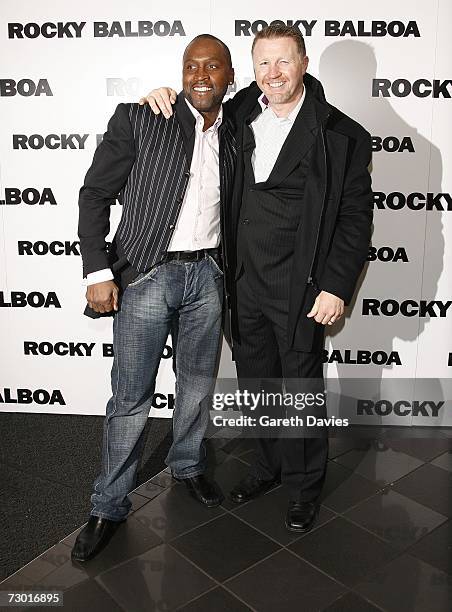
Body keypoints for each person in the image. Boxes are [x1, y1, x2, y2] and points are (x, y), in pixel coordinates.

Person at [143, 24, 373, 533]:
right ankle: (268, 468)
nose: (273, 74)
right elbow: (198, 99)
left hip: (303, 287)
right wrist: (160, 95)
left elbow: (356, 219)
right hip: (243, 283)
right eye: (263, 63)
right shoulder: (243, 109)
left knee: (300, 391)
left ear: (304, 63)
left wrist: (335, 286)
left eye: (283, 62)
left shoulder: (343, 134)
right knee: (259, 386)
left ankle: (305, 487)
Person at [72, 34, 236, 562]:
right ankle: (109, 504)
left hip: (208, 274)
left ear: (229, 77)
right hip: (146, 275)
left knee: (196, 387)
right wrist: (97, 270)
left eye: (213, 66)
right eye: (192, 66)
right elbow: (94, 193)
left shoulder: (239, 132)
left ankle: (187, 466)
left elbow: (288, 93)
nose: (200, 75)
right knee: (130, 398)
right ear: (181, 73)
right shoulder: (143, 117)